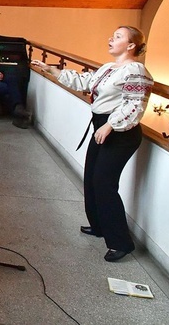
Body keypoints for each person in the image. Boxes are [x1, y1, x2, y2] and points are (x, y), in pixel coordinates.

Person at [31, 26, 153, 262]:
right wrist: (50, 69)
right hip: (102, 127)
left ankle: (121, 242)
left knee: (104, 183)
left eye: (118, 37)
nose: (111, 38)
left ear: (131, 45)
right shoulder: (109, 68)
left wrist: (111, 125)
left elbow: (134, 105)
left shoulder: (136, 70)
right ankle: (99, 226)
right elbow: (84, 81)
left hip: (119, 132)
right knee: (91, 179)